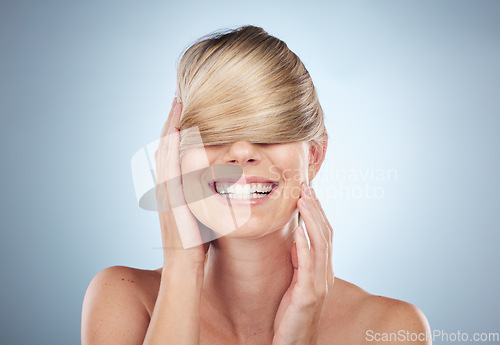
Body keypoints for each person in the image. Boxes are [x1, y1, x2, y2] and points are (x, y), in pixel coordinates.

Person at [81, 25, 431, 345]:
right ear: (174, 159)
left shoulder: (390, 330)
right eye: (215, 133)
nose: (243, 152)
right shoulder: (123, 300)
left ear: (314, 155)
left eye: (269, 131)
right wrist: (182, 267)